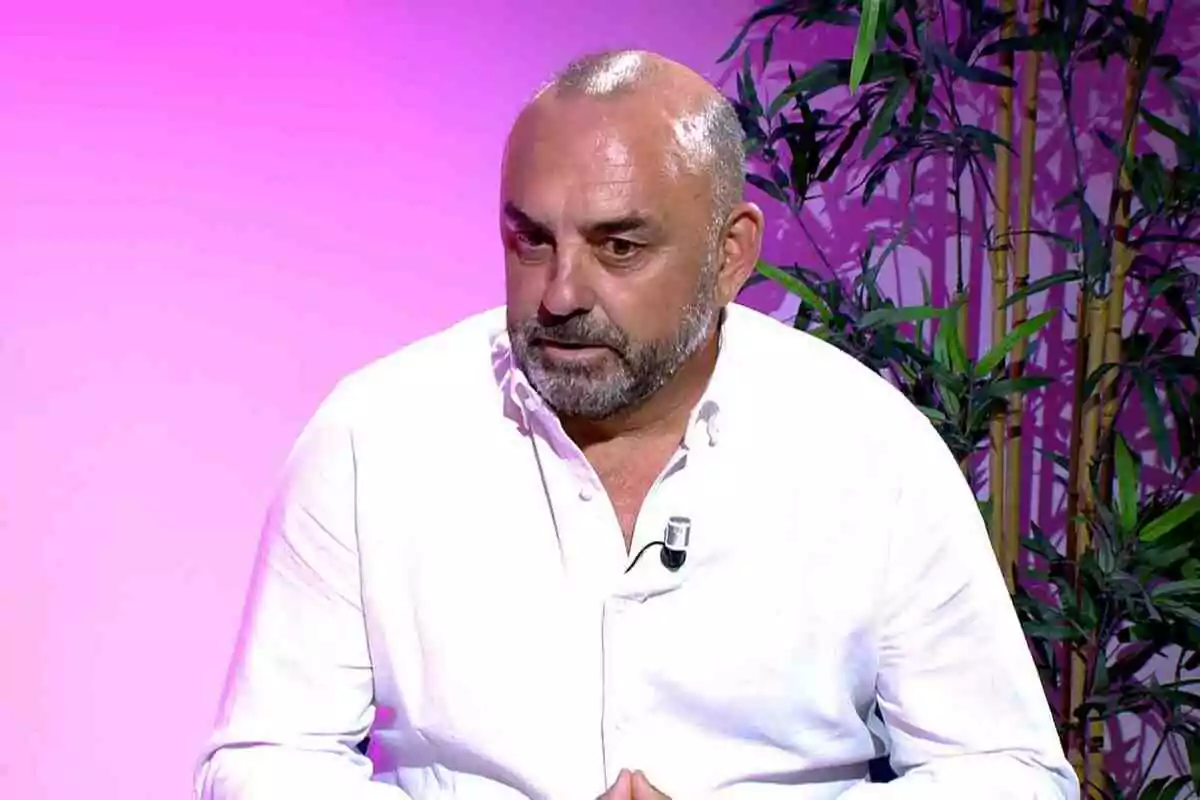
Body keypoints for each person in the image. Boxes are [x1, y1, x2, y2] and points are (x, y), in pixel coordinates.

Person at [194, 49, 1078, 800]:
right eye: (530, 240)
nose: (561, 294)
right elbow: (268, 757)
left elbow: (1008, 771)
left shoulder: (868, 450)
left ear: (729, 253)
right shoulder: (374, 436)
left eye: (619, 247)